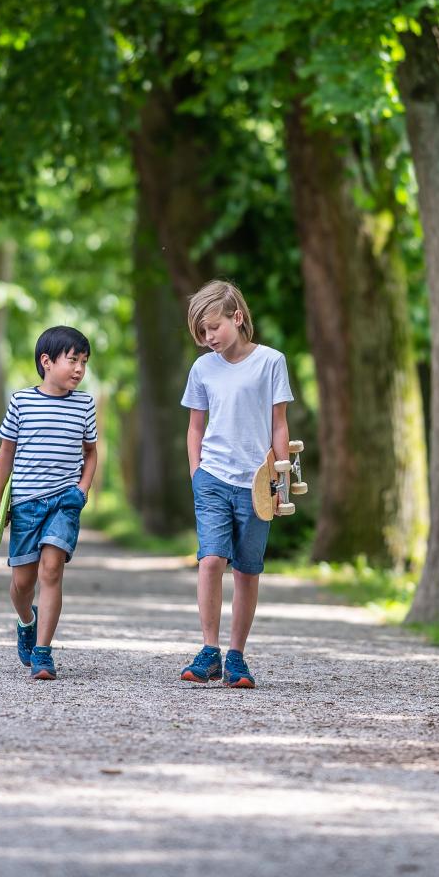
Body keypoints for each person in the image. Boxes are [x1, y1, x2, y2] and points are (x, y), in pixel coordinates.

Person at [178, 280, 294, 688]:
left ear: (237, 318)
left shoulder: (270, 362)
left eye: (213, 328)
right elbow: (195, 428)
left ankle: (236, 656)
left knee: (247, 570)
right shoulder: (202, 369)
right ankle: (209, 650)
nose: (208, 338)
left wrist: (282, 476)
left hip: (257, 482)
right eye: (202, 333)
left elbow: (279, 424)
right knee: (211, 560)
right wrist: (196, 472)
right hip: (212, 478)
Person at [0, 325, 99, 680]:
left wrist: (81, 491)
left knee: (51, 571)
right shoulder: (21, 401)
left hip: (64, 503)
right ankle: (27, 620)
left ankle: (43, 652)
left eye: (84, 361)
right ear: (47, 361)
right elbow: (5, 453)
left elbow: (91, 454)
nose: (79, 369)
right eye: (72, 360)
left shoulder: (85, 404)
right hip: (26, 503)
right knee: (23, 584)